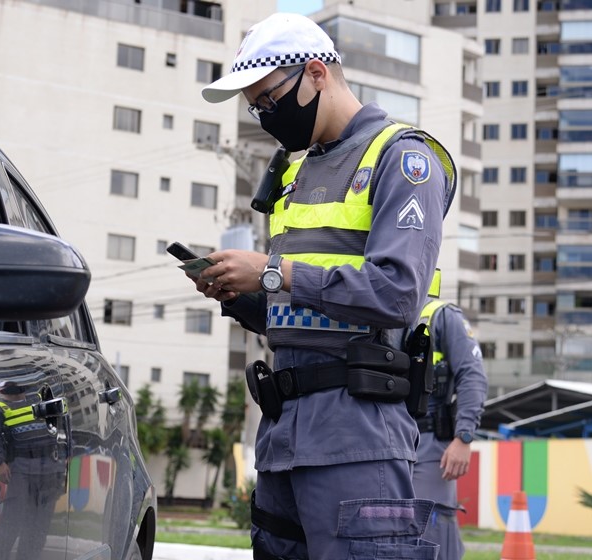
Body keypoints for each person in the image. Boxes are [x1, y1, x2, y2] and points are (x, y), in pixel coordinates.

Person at [191, 12, 457, 559]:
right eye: (254, 107)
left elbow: (396, 294)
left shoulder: (404, 158)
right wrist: (247, 299)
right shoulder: (298, 174)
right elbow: (306, 308)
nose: (264, 116)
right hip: (283, 433)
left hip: (357, 438)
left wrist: (271, 271)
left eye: (268, 100)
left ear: (316, 73)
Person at [411, 280, 488, 560]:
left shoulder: (442, 315)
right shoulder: (381, 313)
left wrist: (463, 436)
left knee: (432, 535)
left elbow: (473, 376)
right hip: (386, 442)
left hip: (431, 447)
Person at [0, 380, 64, 560]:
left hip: (47, 467)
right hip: (21, 469)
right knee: (13, 519)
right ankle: (1, 555)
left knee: (39, 523)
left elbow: (57, 422)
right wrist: (1, 462)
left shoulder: (37, 399)